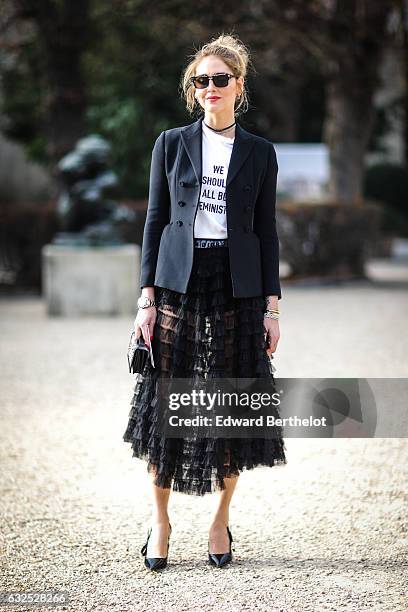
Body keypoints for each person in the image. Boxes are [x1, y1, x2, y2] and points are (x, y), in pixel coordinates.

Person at [123, 33, 287, 571]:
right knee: (165, 402)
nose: (209, 88)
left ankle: (220, 521)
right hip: (178, 281)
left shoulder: (261, 153)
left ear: (238, 87)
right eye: (201, 81)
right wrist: (145, 298)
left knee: (232, 404)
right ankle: (160, 522)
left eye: (220, 79)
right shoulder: (170, 143)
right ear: (192, 90)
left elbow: (267, 231)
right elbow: (154, 220)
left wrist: (272, 307)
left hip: (236, 284)